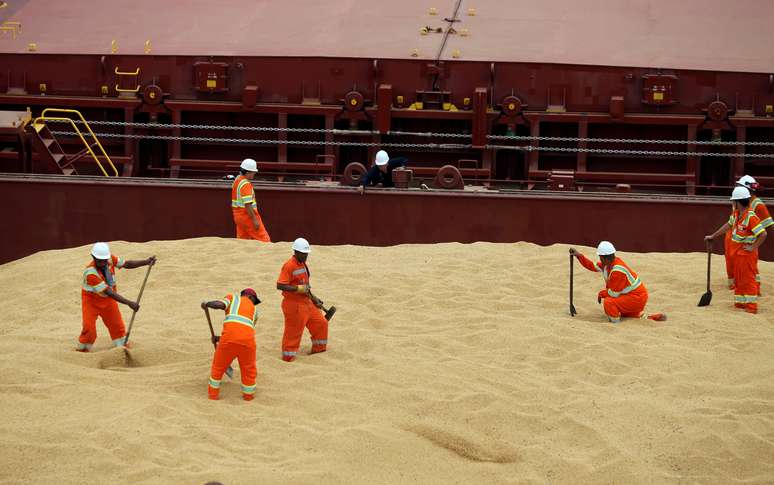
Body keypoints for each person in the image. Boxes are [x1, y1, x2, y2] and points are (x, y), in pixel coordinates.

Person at [77, 242, 156, 352]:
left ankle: (122, 349)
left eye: (104, 260)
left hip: (108, 300)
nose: (103, 263)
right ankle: (82, 352)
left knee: (117, 327)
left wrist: (146, 262)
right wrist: (129, 303)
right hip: (91, 301)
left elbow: (127, 264)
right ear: (93, 257)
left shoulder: (110, 259)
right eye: (100, 260)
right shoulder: (90, 273)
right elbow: (110, 292)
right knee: (88, 328)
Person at [705, 186, 767, 313]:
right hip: (737, 254)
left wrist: (753, 246)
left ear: (738, 202)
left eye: (733, 201)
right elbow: (728, 225)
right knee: (738, 280)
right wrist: (713, 236)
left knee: (748, 280)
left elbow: (763, 234)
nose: (732, 203)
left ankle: (751, 307)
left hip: (747, 255)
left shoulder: (751, 217)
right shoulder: (737, 214)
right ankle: (740, 303)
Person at [570, 242, 666, 323]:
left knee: (609, 302)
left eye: (600, 257)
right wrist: (579, 256)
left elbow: (614, 294)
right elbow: (591, 265)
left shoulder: (617, 270)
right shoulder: (608, 265)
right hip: (633, 296)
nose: (600, 259)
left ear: (604, 258)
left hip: (636, 298)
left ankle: (615, 321)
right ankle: (650, 317)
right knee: (621, 308)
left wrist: (601, 293)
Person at [201, 288, 261, 401]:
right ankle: (248, 396)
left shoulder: (232, 298)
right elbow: (243, 330)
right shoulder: (255, 312)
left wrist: (207, 303)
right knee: (248, 370)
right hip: (248, 343)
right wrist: (219, 338)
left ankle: (213, 395)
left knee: (218, 367)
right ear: (251, 297)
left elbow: (219, 305)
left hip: (229, 340)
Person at [276, 238, 329, 361]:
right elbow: (280, 285)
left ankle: (319, 350)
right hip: (294, 305)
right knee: (293, 333)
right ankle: (288, 357)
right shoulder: (289, 265)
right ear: (296, 252)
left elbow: (305, 286)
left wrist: (314, 298)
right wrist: (298, 289)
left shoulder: (303, 264)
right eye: (303, 254)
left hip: (307, 302)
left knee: (321, 323)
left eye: (307, 254)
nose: (306, 256)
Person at [735, 175, 771, 294]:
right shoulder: (742, 202)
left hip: (750, 244)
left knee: (751, 271)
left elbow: (768, 226)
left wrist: (753, 245)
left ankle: (755, 290)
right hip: (742, 243)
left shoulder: (757, 205)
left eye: (740, 186)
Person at [231, 158, 271, 242]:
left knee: (242, 241)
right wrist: (254, 220)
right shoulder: (246, 184)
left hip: (238, 216)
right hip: (247, 216)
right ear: (248, 172)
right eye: (253, 172)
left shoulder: (237, 180)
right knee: (264, 240)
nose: (254, 174)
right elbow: (248, 205)